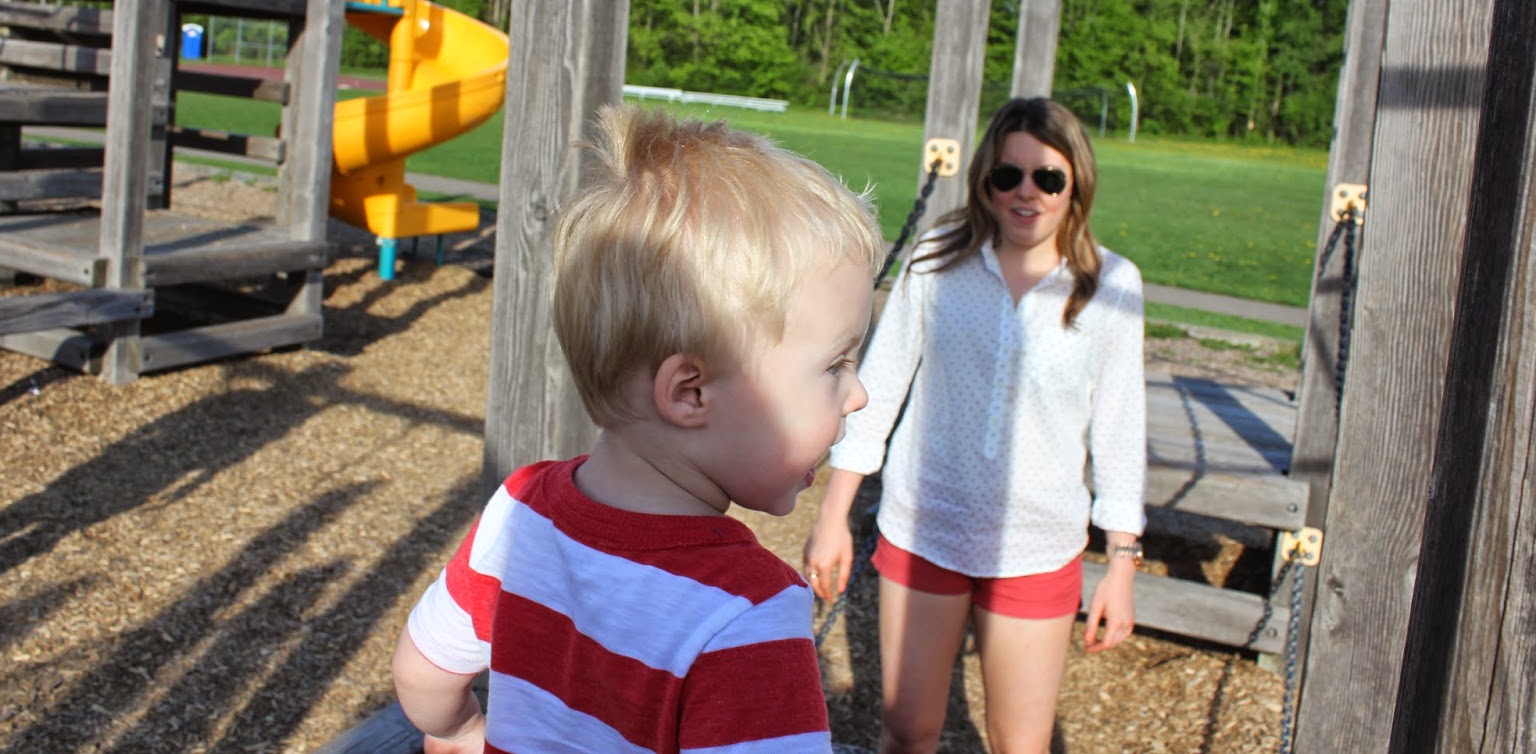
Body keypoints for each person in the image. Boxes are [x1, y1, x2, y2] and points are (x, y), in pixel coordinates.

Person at [392, 104, 884, 753]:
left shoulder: (522, 507)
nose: (858, 395)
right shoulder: (746, 611)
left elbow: (423, 670)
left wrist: (457, 732)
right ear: (690, 391)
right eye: (835, 366)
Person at [803, 97, 1146, 754]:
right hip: (925, 527)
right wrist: (833, 514)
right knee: (908, 732)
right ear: (984, 179)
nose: (1026, 194)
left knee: (1020, 745)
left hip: (1038, 548)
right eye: (1007, 176)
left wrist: (1123, 561)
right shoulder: (937, 259)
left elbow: (1120, 432)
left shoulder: (1112, 286)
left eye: (1048, 178)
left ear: (1076, 184)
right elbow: (879, 387)